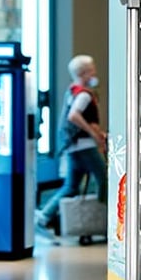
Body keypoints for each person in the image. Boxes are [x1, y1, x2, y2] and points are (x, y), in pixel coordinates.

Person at [36, 55, 107, 232]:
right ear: (84, 73)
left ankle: (44, 215)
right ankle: (105, 218)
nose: (94, 73)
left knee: (71, 186)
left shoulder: (72, 92)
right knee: (103, 179)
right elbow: (74, 116)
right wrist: (93, 134)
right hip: (85, 146)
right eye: (92, 70)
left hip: (73, 146)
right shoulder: (84, 95)